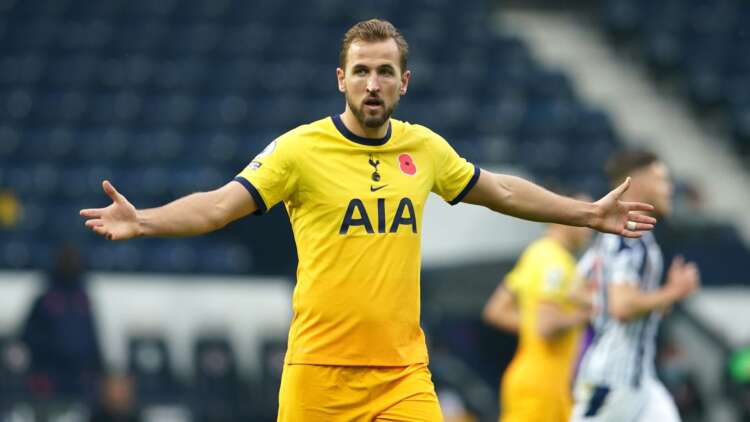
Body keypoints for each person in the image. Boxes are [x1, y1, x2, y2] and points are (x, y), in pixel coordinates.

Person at [80, 19, 656, 421]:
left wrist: (588, 212)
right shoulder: (299, 151)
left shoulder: (424, 148)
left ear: (404, 82)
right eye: (360, 71)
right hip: (320, 371)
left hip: (402, 374)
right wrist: (144, 221)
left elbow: (499, 189)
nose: (372, 84)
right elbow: (217, 205)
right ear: (341, 79)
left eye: (384, 71)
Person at [570, 150, 700, 422]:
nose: (669, 188)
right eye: (661, 180)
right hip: (614, 378)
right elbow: (622, 307)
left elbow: (576, 290)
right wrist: (672, 292)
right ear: (638, 183)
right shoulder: (628, 237)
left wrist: (660, 298)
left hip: (640, 377)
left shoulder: (619, 235)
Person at [482, 191, 594, 422]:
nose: (590, 228)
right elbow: (546, 326)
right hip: (543, 384)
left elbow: (496, 310)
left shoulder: (536, 252)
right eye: (584, 217)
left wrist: (535, 322)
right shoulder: (555, 263)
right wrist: (585, 314)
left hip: (535, 379)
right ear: (563, 216)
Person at [21, 243, 103, 399]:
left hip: (80, 376)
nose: (70, 263)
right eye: (66, 259)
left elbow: (92, 338)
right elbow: (28, 336)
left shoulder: (83, 300)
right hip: (50, 373)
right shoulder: (45, 299)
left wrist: (98, 368)